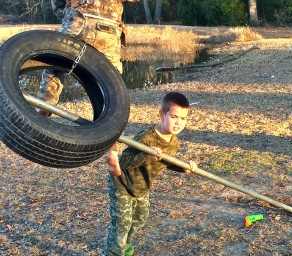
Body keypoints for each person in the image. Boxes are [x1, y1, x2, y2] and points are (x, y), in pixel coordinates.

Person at [103, 92, 198, 256]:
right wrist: (146, 155)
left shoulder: (174, 142)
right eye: (174, 117)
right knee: (122, 225)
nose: (178, 123)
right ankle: (112, 252)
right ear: (162, 114)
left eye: (183, 118)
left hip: (141, 186)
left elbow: (165, 161)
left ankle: (125, 247)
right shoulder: (147, 138)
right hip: (122, 183)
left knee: (139, 220)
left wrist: (183, 168)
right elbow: (123, 162)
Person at [37, 0, 140, 116]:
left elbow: (57, 5)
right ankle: (112, 117)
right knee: (112, 77)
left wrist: (70, 9)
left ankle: (46, 101)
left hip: (77, 21)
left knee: (56, 61)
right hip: (109, 28)